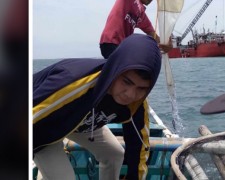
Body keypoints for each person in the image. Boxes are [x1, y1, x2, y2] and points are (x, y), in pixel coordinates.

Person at [33, 34, 161, 179]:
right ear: (115, 69)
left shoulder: (137, 103)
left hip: (80, 120)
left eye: (141, 88)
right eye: (127, 82)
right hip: (41, 127)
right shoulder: (73, 83)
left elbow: (138, 146)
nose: (130, 94)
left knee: (115, 155)